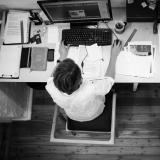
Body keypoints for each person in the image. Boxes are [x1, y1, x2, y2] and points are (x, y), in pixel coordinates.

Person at [45, 39, 122, 122]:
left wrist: (62, 55)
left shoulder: (50, 87)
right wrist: (114, 55)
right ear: (80, 80)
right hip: (93, 113)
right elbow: (109, 80)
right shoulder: (92, 88)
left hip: (72, 115)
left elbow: (52, 76)